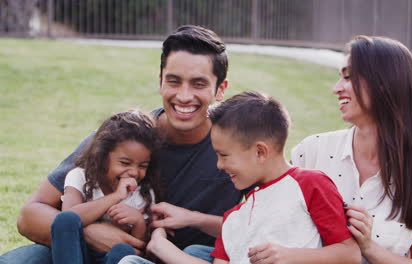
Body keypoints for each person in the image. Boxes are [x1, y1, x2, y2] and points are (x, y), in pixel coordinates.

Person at [0, 25, 243, 264]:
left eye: (198, 84)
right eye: (174, 81)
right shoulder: (125, 136)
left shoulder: (241, 146)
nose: (184, 96)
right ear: (160, 81)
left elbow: (274, 220)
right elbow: (30, 216)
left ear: (220, 89)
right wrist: (91, 233)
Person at [119, 91, 361, 264]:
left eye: (224, 155)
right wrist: (161, 246)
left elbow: (349, 255)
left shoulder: (310, 184)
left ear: (259, 151)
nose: (219, 165)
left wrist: (290, 256)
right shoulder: (235, 217)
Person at [291, 35, 412, 263]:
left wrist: (369, 247)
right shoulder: (311, 152)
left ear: (384, 83)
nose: (336, 88)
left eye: (348, 77)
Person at [50, 109, 164, 264]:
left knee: (123, 250)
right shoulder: (80, 176)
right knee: (65, 219)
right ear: (103, 156)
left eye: (142, 166)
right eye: (125, 163)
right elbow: (71, 218)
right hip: (77, 254)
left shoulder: (143, 192)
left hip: (112, 258)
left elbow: (139, 250)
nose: (134, 172)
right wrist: (116, 196)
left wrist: (138, 222)